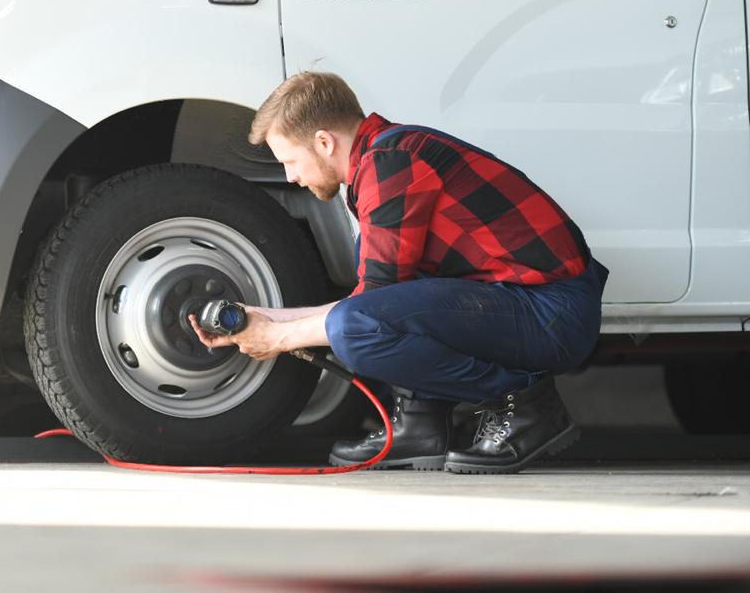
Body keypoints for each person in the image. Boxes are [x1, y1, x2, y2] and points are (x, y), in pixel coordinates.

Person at [190, 72, 608, 474]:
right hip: (533, 305)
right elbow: (383, 300)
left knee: (356, 332)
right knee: (366, 296)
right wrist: (264, 319)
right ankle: (420, 425)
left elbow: (368, 314)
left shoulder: (392, 164)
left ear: (323, 142)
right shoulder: (390, 157)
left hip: (551, 312)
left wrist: (281, 337)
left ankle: (527, 407)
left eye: (290, 161)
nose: (290, 176)